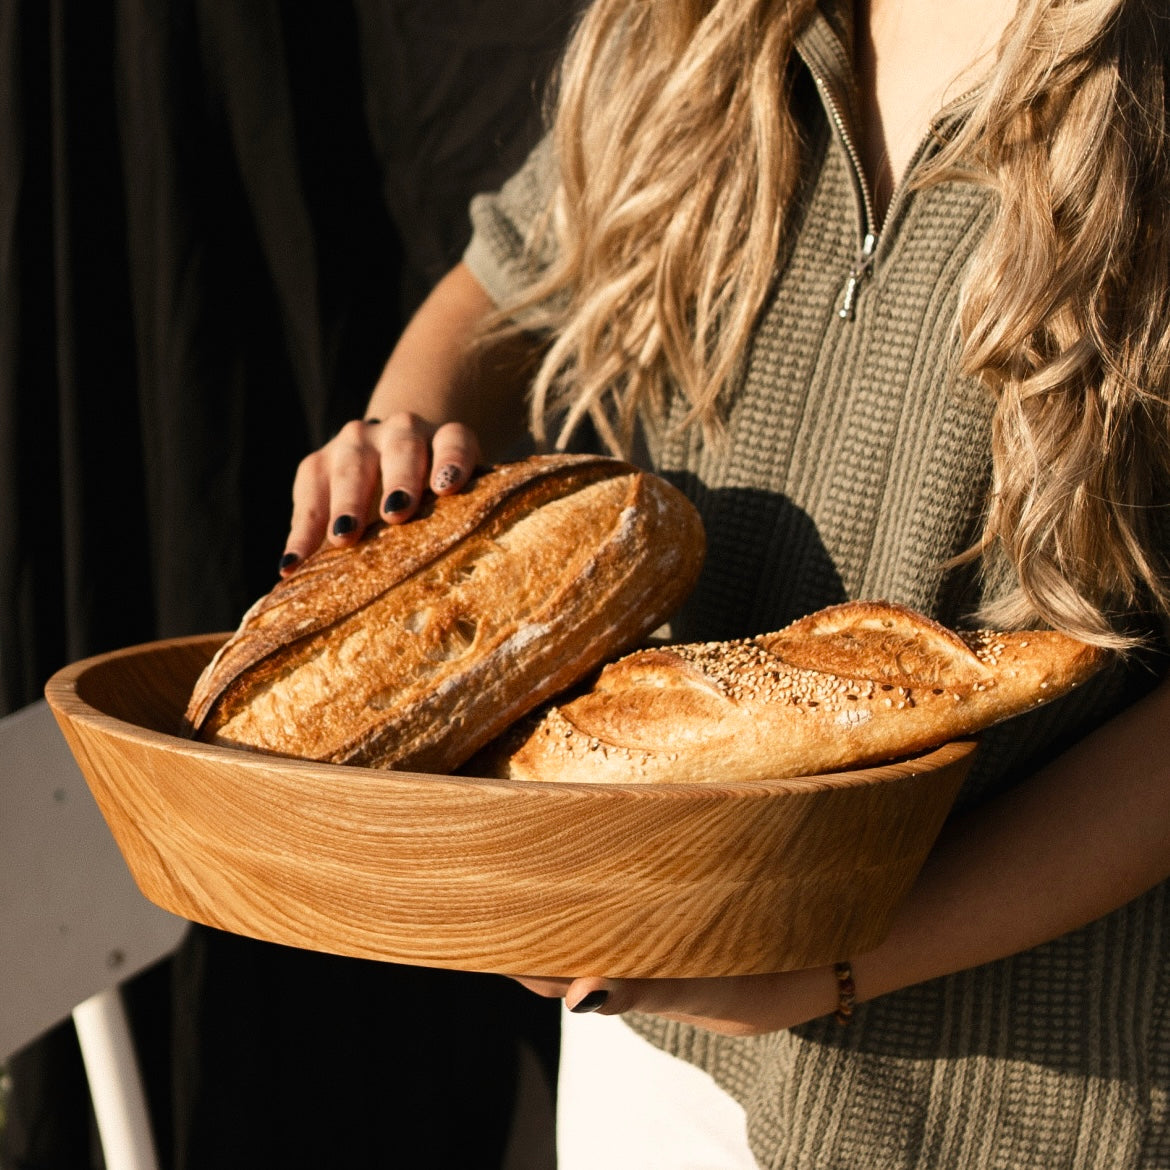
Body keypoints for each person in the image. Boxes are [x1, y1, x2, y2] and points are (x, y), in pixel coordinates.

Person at [278, 0, 1170, 1165]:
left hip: (1001, 1094)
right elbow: (505, 279)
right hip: (650, 1031)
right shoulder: (702, 24)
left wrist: (837, 953)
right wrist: (400, 450)